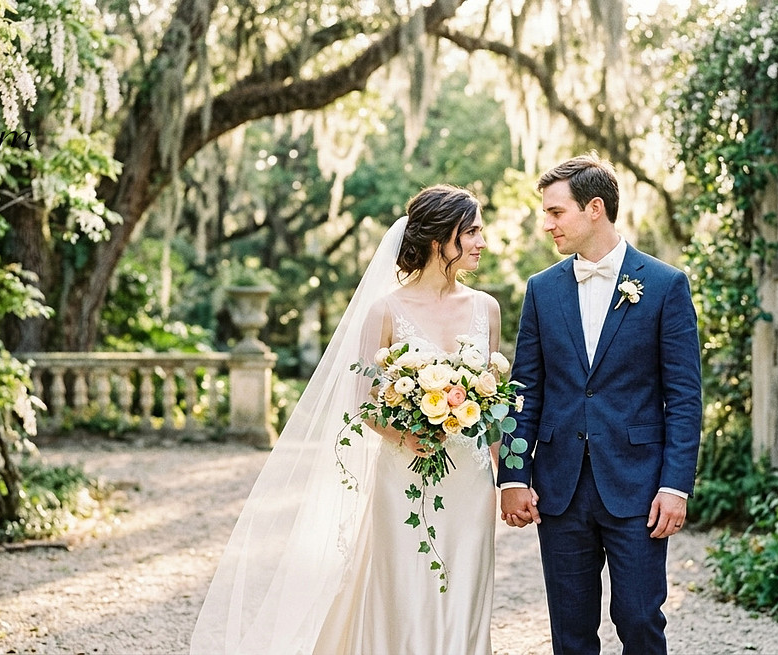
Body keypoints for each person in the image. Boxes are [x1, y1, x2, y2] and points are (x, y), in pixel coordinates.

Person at [192, 184, 503, 654]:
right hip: (406, 472)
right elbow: (364, 401)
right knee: (403, 587)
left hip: (471, 479)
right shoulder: (385, 310)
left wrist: (511, 480)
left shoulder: (486, 308)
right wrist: (407, 429)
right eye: (473, 232)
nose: (482, 242)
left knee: (466, 587)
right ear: (441, 238)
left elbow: (493, 405)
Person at [497, 153, 702, 655]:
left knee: (639, 620)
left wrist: (676, 485)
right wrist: (514, 475)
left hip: (639, 487)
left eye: (555, 212)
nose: (546, 224)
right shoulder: (542, 290)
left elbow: (684, 397)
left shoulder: (663, 284)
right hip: (560, 487)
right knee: (570, 633)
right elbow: (526, 388)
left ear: (594, 208)